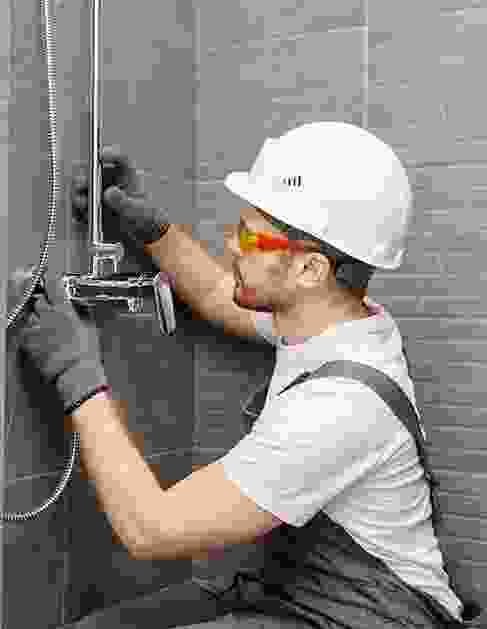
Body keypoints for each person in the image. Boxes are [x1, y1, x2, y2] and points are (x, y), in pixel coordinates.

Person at [13, 121, 464, 628]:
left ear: (310, 270)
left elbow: (150, 527)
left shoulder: (340, 407)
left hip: (371, 617)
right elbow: (214, 294)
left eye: (250, 236)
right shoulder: (336, 321)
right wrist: (151, 229)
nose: (232, 245)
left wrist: (74, 369)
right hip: (304, 594)